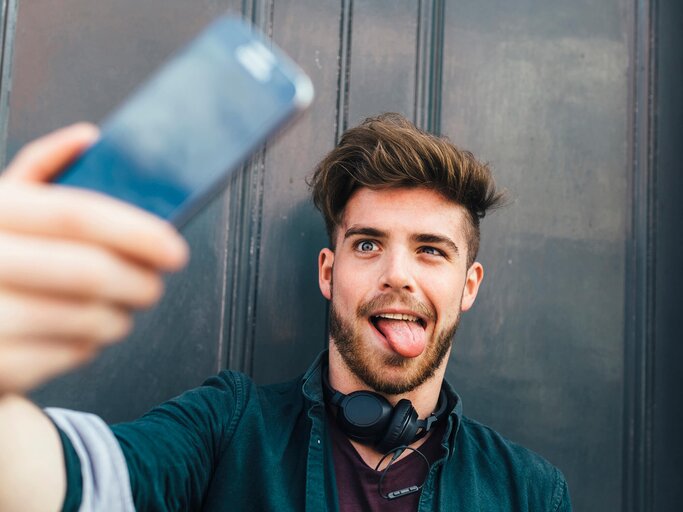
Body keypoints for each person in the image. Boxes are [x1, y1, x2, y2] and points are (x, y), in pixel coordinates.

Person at [0, 114, 571, 511]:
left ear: (468, 286)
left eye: (430, 249)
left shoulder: (530, 492)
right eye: (368, 244)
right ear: (328, 272)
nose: (398, 274)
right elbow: (73, 484)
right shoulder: (227, 427)